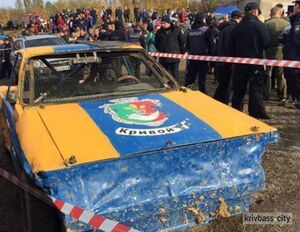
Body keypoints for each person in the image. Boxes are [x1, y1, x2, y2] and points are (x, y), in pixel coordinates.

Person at [230, 2, 271, 119]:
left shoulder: (237, 27)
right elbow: (267, 43)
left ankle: (236, 110)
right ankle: (254, 113)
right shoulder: (260, 26)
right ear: (255, 11)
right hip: (256, 63)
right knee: (255, 89)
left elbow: (231, 45)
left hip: (240, 63)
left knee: (239, 89)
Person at [213, 11, 242, 104]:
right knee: (226, 84)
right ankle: (221, 102)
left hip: (221, 58)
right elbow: (229, 46)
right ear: (239, 18)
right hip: (227, 60)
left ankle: (218, 100)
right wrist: (232, 60)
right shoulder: (232, 28)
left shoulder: (225, 27)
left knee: (224, 83)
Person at [263, 6, 290, 102]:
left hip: (269, 50)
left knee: (267, 73)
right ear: (281, 13)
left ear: (271, 12)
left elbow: (264, 38)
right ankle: (282, 95)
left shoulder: (267, 24)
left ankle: (266, 95)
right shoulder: (287, 23)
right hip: (282, 50)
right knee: (281, 74)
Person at [184, 13, 214, 93]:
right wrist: (212, 59)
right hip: (203, 58)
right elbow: (211, 45)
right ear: (203, 19)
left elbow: (187, 45)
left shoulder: (190, 31)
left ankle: (185, 93)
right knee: (202, 80)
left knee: (190, 79)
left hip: (192, 58)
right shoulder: (207, 30)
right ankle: (203, 94)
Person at [155, 15, 185, 81]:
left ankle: (176, 89)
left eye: (164, 23)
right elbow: (156, 43)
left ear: (168, 22)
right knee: (164, 77)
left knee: (175, 76)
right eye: (161, 23)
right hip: (163, 59)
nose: (162, 25)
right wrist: (161, 50)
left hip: (174, 58)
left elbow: (182, 42)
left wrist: (181, 52)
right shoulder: (159, 32)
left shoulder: (177, 30)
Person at [282, 0, 300, 109]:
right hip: (292, 57)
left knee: (295, 82)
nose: (293, 7)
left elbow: (298, 40)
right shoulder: (296, 20)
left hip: (295, 58)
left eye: (296, 5)